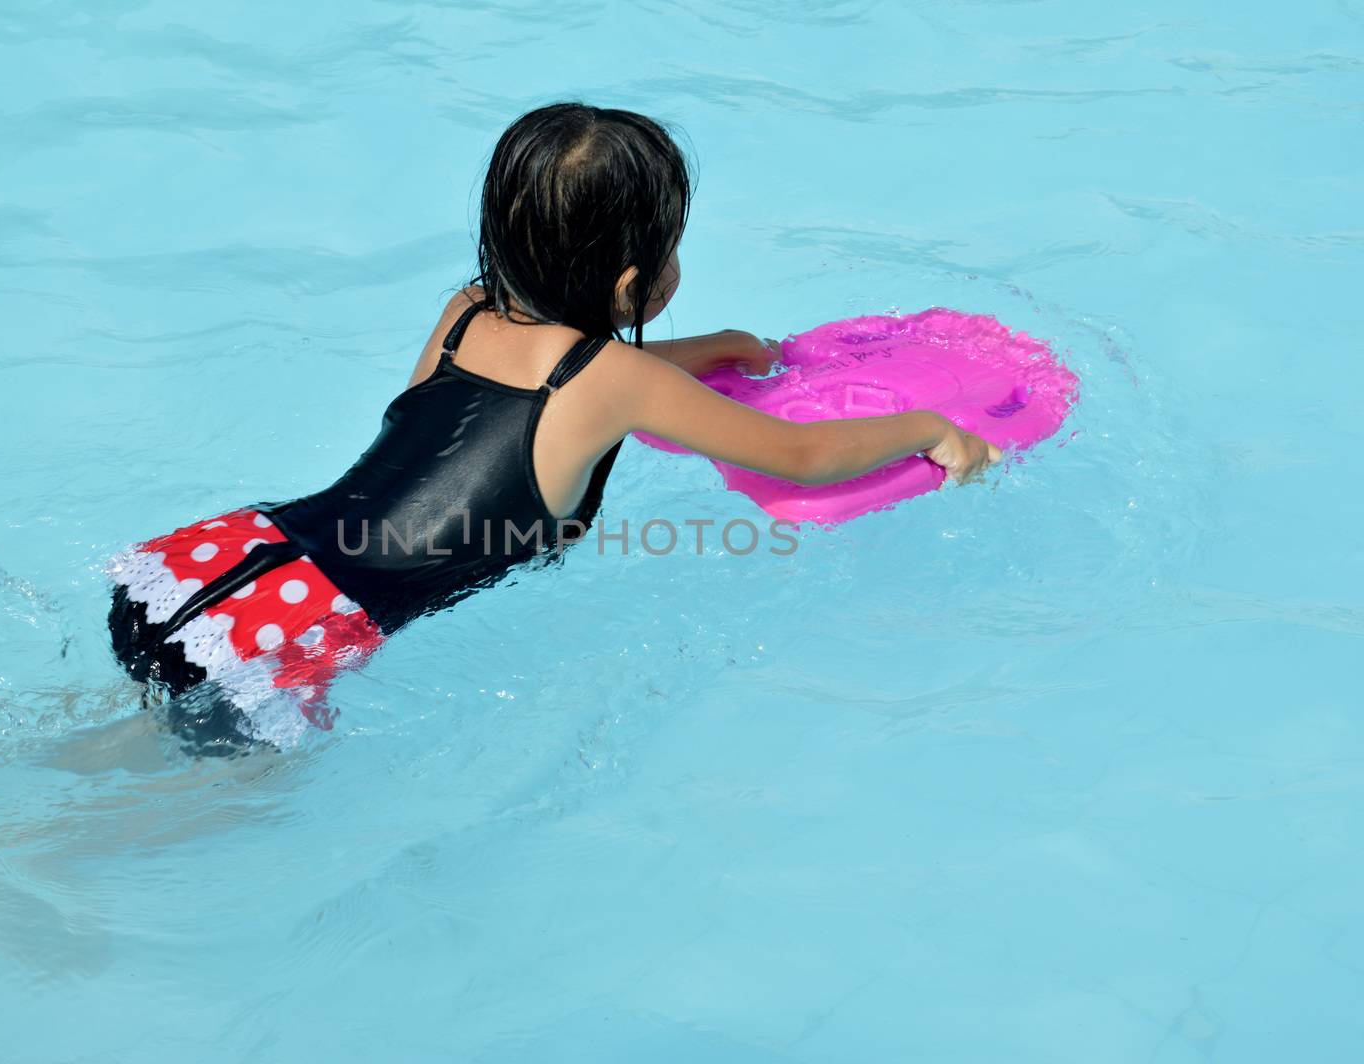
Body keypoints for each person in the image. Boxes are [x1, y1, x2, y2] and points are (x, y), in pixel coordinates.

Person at [107, 101, 1000, 753]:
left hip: (234, 562)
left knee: (122, 738)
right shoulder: (612, 378)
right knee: (177, 809)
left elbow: (552, 385)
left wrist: (722, 346)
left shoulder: (466, 312)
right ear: (628, 284)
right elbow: (802, 457)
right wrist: (932, 429)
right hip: (300, 636)